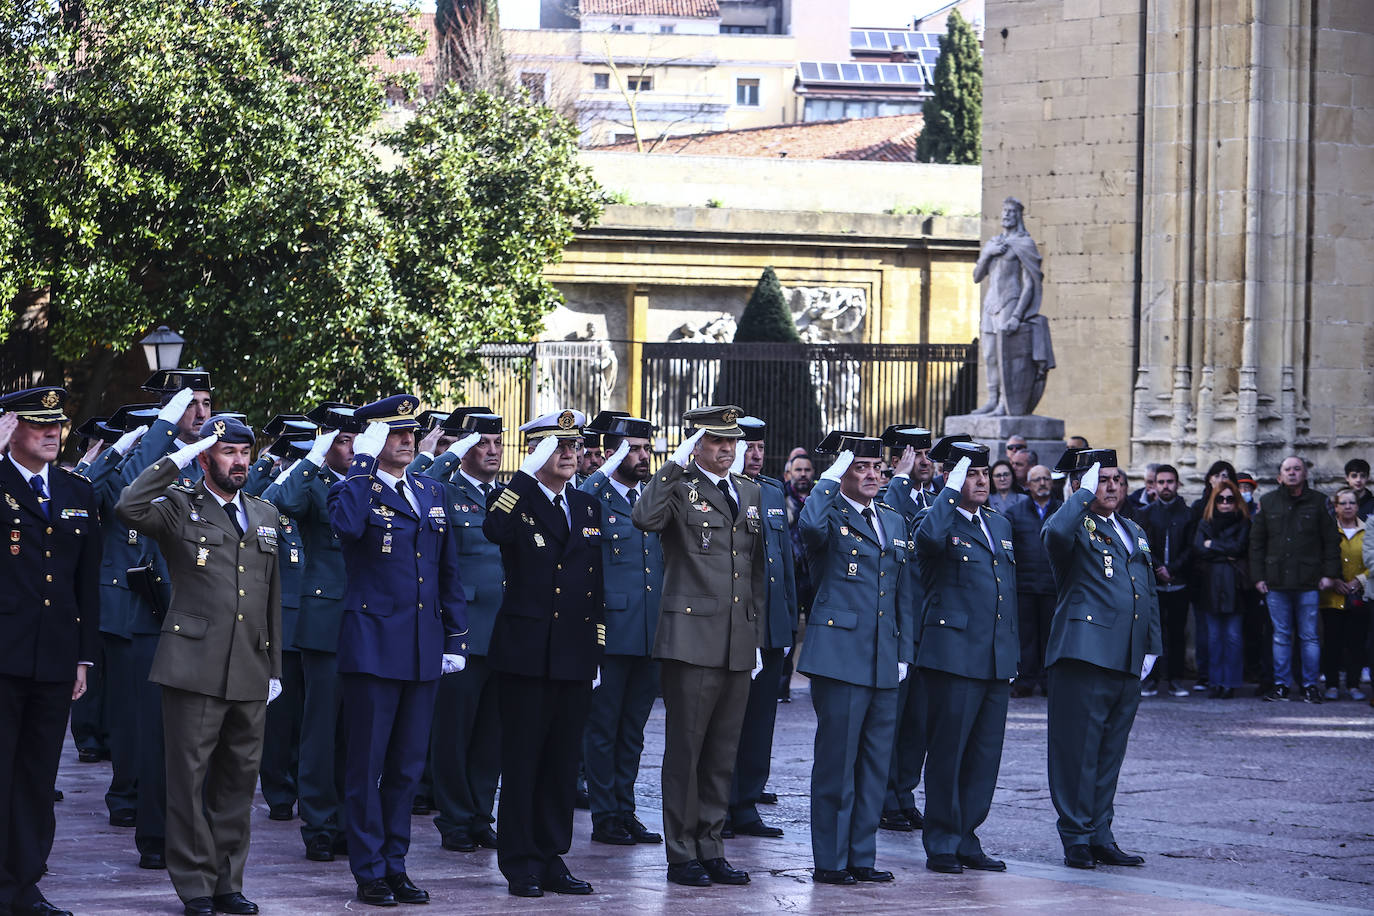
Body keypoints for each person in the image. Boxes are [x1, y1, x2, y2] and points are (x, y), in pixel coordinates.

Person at [116, 414, 282, 916]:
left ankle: (228, 882)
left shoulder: (266, 512)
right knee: (187, 780)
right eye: (228, 452)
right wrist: (178, 456)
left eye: (245, 452)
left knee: (238, 780)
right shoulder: (178, 508)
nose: (239, 462)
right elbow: (128, 505)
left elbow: (272, 594)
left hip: (250, 665)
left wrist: (274, 666)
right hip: (193, 663)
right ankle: (194, 885)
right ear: (207, 456)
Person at [328, 396, 469, 907]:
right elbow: (344, 529)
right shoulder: (352, 490)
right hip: (372, 646)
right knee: (367, 765)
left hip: (422, 646)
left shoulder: (431, 491)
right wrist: (362, 466)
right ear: (372, 441)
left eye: (411, 433)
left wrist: (455, 638)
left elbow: (447, 571)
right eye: (394, 434)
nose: (407, 441)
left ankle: (396, 862)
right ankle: (368, 870)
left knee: (408, 766)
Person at [631, 405, 765, 889]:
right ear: (697, 445)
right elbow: (644, 518)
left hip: (736, 639)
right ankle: (681, 852)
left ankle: (712, 847)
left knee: (721, 753)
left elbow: (755, 571)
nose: (727, 450)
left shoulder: (749, 491)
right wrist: (673, 465)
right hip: (690, 640)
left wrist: (757, 634)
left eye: (733, 442)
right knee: (686, 752)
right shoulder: (680, 488)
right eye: (716, 442)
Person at [483, 409, 604, 897]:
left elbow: (594, 585)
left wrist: (596, 650)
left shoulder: (586, 505)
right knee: (524, 760)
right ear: (536, 452)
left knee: (560, 762)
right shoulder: (513, 499)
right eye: (558, 447)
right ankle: (520, 862)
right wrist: (525, 474)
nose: (571, 454)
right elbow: (494, 529)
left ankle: (553, 855)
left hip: (574, 653)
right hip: (527, 652)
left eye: (574, 446)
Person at [0, 389, 100, 916]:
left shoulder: (75, 488)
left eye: (57, 424)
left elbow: (86, 582)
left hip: (55, 655)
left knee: (39, 777)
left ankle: (25, 884)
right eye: (38, 424)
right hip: (3, 654)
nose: (51, 433)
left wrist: (84, 655)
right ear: (11, 429)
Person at [797, 436, 911, 885]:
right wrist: (827, 477)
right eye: (858, 466)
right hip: (841, 658)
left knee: (874, 764)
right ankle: (830, 859)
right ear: (843, 472)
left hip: (883, 658)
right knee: (837, 763)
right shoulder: (829, 515)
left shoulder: (892, 519)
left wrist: (904, 652)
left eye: (875, 467)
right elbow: (807, 527)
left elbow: (905, 591)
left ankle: (862, 855)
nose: (870, 474)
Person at [1042, 449, 1162, 871]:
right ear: (1084, 484)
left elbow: (1145, 590)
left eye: (1116, 480)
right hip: (1085, 653)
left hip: (1126, 655)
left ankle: (1100, 833)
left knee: (1110, 751)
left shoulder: (1132, 528)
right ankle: (1076, 835)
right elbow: (1054, 535)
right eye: (1102, 480)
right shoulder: (1075, 524)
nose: (1111, 487)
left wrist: (1153, 644)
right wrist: (1078, 493)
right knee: (1078, 750)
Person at [117, 372, 214, 873]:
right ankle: (155, 836)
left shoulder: (212, 459)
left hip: (208, 621)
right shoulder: (159, 456)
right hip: (158, 618)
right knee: (158, 739)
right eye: (188, 404)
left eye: (204, 403)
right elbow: (125, 489)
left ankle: (198, 837)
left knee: (203, 744)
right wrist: (160, 428)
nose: (199, 413)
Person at [262, 403, 362, 861]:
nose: (350, 448)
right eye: (341, 440)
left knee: (355, 729)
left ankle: (348, 820)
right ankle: (320, 823)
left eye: (354, 439)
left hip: (369, 619)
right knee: (321, 729)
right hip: (324, 620)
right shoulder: (311, 484)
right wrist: (312, 458)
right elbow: (273, 505)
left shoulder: (369, 482)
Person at [914, 441, 1018, 875]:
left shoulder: (1000, 523)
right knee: (949, 751)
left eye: (983, 474)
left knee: (984, 754)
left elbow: (1006, 593)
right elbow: (927, 541)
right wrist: (948, 489)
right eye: (969, 474)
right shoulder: (935, 518)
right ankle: (941, 840)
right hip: (953, 656)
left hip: (994, 656)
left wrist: (1011, 653)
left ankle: (967, 835)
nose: (980, 481)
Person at [416, 411, 507, 854]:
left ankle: (479, 814)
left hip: (504, 633)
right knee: (453, 733)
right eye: (481, 443)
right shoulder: (444, 493)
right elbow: (412, 482)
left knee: (491, 735)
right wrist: (443, 452)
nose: (491, 451)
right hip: (462, 633)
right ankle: (453, 818)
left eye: (496, 443)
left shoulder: (508, 497)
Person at [578, 415, 664, 849]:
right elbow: (576, 497)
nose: (643, 456)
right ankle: (604, 814)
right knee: (603, 727)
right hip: (610, 631)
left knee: (633, 729)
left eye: (646, 449)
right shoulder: (595, 494)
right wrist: (604, 469)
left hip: (650, 631)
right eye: (633, 449)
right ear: (612, 453)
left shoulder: (652, 498)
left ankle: (625, 810)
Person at [725, 417, 797, 839]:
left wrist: (787, 623)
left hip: (770, 627)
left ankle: (748, 802)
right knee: (728, 720)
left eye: (759, 447)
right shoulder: (721, 491)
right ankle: (721, 803)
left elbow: (783, 562)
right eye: (747, 447)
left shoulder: (771, 490)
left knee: (760, 721)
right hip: (736, 627)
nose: (755, 455)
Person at [875, 426, 936, 833]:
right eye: (919, 455)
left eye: (929, 455)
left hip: (929, 626)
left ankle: (904, 793)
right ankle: (884, 799)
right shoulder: (885, 497)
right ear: (899, 459)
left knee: (917, 723)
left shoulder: (933, 501)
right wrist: (899, 477)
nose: (928, 462)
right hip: (900, 627)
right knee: (892, 721)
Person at [1249, 456, 1340, 704]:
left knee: (1309, 636)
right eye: (1287, 469)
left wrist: (1329, 574)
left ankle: (1310, 685)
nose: (1292, 473)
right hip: (1276, 582)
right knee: (1280, 636)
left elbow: (1331, 541)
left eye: (1296, 469)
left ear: (1305, 474)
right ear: (1280, 476)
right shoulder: (1267, 503)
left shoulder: (1320, 503)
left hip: (1309, 582)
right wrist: (1257, 577)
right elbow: (1256, 544)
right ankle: (1281, 685)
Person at [1137, 464, 1193, 698]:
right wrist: (1159, 567)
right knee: (1153, 634)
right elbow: (1143, 545)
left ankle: (1176, 680)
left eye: (1170, 482)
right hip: (1155, 585)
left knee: (1178, 634)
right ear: (1154, 485)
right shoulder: (1146, 513)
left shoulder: (1188, 513)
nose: (1165, 486)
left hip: (1180, 583)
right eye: (1161, 482)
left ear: (1177, 484)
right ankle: (1152, 679)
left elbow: (1191, 547)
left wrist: (1173, 568)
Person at [1006, 464, 1061, 697]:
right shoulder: (1015, 513)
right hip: (1024, 586)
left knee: (1051, 637)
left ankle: (1050, 681)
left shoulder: (1062, 511)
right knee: (1026, 637)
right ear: (1028, 485)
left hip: (1052, 585)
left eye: (1046, 479)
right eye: (1037, 479)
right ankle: (1026, 680)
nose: (1042, 483)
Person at [1191, 480, 1251, 699]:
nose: (1225, 503)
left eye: (1230, 499)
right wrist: (1223, 551)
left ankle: (1231, 682)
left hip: (1234, 583)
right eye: (1220, 499)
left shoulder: (1243, 522)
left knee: (1233, 636)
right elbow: (1198, 548)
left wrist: (1212, 546)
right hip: (1211, 583)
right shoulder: (1205, 522)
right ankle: (1215, 681)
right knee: (1214, 637)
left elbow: (1239, 547)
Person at [1319, 489, 1369, 699]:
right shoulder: (1327, 531)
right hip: (1332, 596)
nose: (1348, 506)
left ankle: (1353, 685)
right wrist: (1335, 580)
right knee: (1332, 642)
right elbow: (1320, 557)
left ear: (1358, 506)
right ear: (1336, 507)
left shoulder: (1369, 531)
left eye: (1352, 503)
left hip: (1360, 595)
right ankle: (1331, 684)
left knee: (1356, 642)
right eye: (1343, 503)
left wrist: (1360, 580)